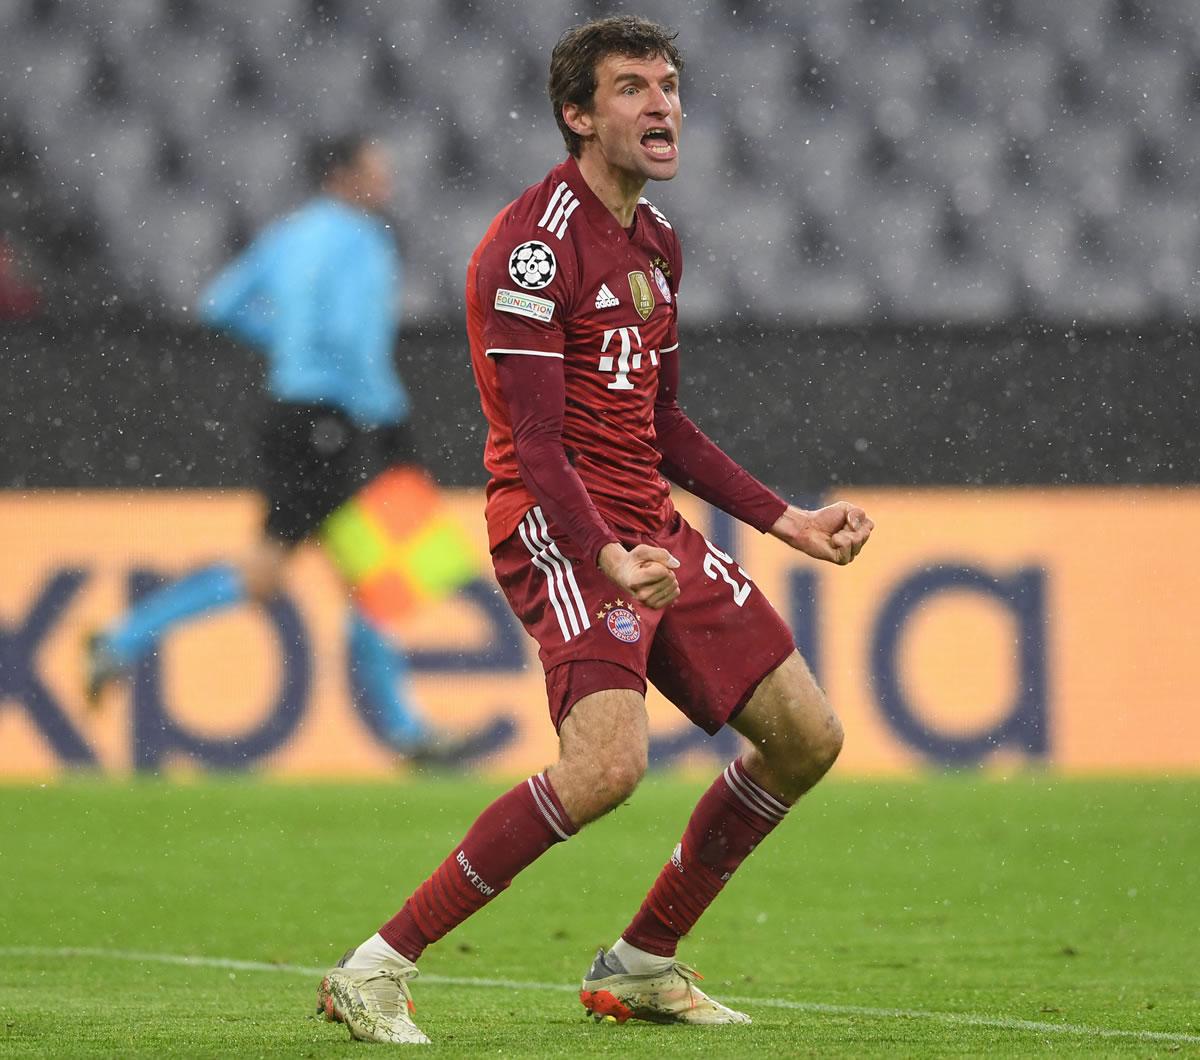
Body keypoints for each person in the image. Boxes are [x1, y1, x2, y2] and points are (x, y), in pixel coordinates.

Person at [316, 16, 873, 1044]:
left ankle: (642, 962)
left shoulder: (658, 244)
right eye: (630, 88)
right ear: (578, 115)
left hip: (645, 526)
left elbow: (660, 422)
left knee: (806, 736)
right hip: (558, 526)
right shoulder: (532, 251)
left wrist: (785, 519)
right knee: (606, 768)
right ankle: (377, 967)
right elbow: (533, 444)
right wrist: (605, 553)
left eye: (668, 85)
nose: (661, 104)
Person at [86, 133, 507, 766]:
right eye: (375, 167)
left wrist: (290, 346)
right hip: (335, 421)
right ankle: (122, 638)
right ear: (343, 175)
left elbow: (219, 304)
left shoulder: (289, 232)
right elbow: (353, 340)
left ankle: (409, 734)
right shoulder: (365, 239)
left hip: (290, 414)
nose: (387, 178)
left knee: (363, 574)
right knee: (302, 571)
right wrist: (393, 428)